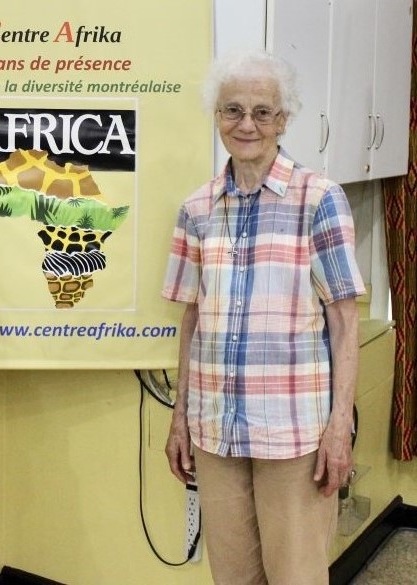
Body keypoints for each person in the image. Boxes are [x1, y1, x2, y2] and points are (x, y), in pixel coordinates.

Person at [162, 50, 364, 584]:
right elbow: (191, 318)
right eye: (232, 110)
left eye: (261, 112)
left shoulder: (319, 199)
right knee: (234, 577)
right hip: (215, 431)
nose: (246, 124)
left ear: (284, 119)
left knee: (296, 576)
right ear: (216, 116)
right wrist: (180, 415)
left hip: (294, 434)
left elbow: (345, 321)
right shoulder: (196, 210)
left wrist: (339, 427)